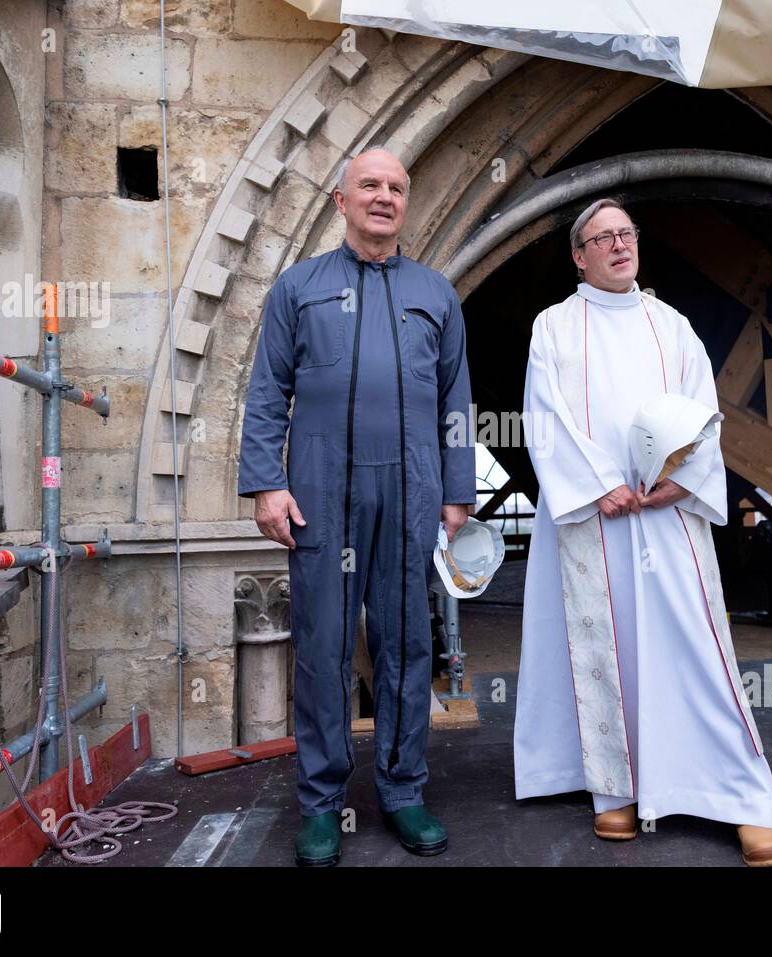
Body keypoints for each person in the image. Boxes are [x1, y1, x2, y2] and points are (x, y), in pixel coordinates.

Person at [512, 197, 772, 866]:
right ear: (579, 256)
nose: (617, 245)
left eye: (625, 234)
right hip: (594, 520)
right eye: (601, 238)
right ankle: (614, 785)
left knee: (695, 648)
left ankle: (740, 795)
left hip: (668, 517)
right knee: (602, 648)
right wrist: (597, 483)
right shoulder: (552, 327)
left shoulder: (672, 326)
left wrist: (683, 480)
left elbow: (705, 415)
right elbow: (543, 417)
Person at [238, 147, 475, 866]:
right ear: (341, 201)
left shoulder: (435, 294)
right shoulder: (299, 289)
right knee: (322, 648)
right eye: (369, 185)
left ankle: (403, 791)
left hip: (409, 497)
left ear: (406, 204)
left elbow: (455, 400)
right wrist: (264, 482)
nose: (384, 197)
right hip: (321, 498)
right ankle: (320, 802)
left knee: (407, 646)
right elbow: (265, 391)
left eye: (396, 188)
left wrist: (457, 490)